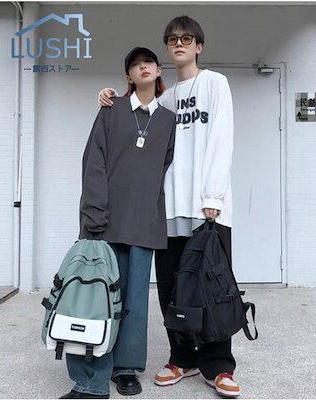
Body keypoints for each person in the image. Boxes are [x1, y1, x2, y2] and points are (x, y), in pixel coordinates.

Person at [98, 15, 239, 398]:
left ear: (199, 46)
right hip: (168, 211)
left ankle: (218, 365)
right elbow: (134, 117)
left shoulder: (215, 83)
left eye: (186, 38)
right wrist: (108, 96)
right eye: (172, 39)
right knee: (173, 290)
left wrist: (213, 197)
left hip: (208, 209)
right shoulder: (166, 99)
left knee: (212, 287)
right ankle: (182, 357)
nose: (179, 43)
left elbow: (221, 139)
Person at [60, 47, 176, 399]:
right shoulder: (111, 110)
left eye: (148, 62)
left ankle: (126, 369)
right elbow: (93, 161)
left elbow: (165, 166)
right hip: (105, 222)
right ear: (128, 76)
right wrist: (94, 214)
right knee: (97, 299)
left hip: (144, 222)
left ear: (158, 70)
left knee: (134, 302)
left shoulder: (168, 120)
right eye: (135, 65)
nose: (143, 67)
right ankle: (91, 380)